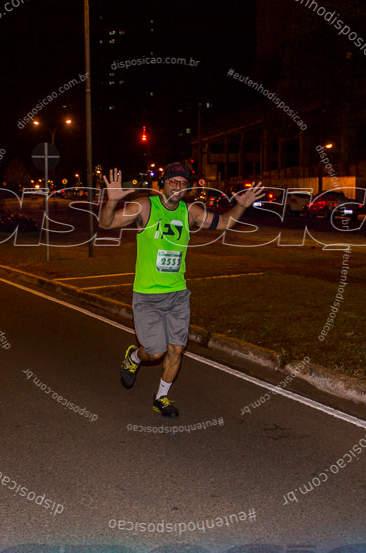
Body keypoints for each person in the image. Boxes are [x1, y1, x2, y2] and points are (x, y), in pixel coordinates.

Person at [98, 163, 263, 417]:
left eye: (183, 183)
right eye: (172, 181)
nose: (177, 186)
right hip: (147, 295)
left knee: (176, 349)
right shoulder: (145, 207)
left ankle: (161, 398)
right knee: (155, 351)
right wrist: (111, 201)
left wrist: (241, 204)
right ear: (162, 183)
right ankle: (134, 358)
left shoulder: (191, 212)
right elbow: (107, 223)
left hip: (177, 294)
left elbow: (225, 222)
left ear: (188, 188)